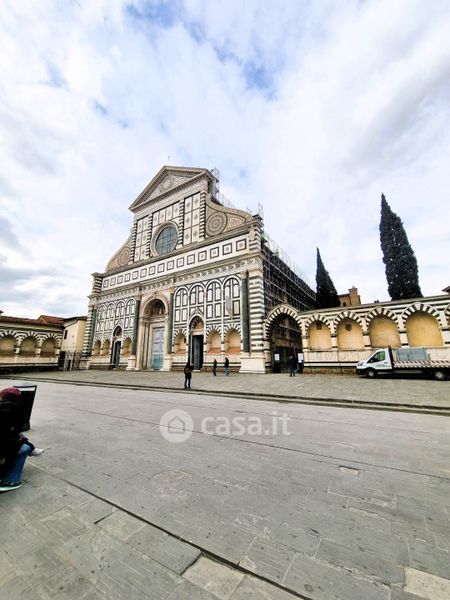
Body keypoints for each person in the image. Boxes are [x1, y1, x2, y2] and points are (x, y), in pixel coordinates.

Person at [0, 387, 44, 492]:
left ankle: (32, 448)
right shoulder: (17, 410)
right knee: (25, 448)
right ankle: (10, 480)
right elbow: (10, 436)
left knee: (18, 437)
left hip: (5, 438)